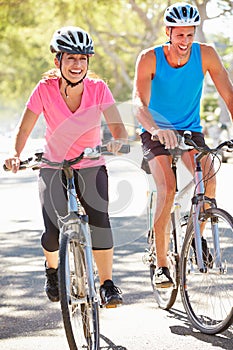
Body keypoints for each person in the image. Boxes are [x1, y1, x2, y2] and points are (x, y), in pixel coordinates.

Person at [5, 26, 128, 306]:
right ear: (57, 61)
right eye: (71, 58)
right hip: (53, 166)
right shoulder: (44, 90)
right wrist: (14, 153)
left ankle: (107, 283)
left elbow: (118, 129)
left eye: (83, 59)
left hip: (90, 163)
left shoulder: (98, 89)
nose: (77, 64)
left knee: (100, 221)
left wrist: (118, 141)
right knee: (52, 232)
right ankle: (52, 270)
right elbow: (24, 129)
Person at [133, 2, 233, 287]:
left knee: (210, 177)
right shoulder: (149, 58)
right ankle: (162, 264)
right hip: (155, 130)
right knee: (168, 188)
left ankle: (195, 240)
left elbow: (229, 96)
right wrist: (154, 129)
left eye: (190, 35)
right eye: (180, 36)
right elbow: (139, 103)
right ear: (168, 32)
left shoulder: (207, 55)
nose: (185, 42)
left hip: (190, 130)